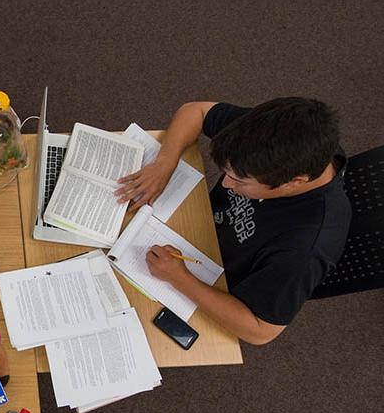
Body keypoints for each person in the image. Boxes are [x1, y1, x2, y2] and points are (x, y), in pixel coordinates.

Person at [116, 98, 350, 345]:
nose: (226, 184)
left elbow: (260, 330)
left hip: (215, 279)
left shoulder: (304, 248)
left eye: (239, 181)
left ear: (295, 182)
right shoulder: (270, 136)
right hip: (198, 223)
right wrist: (164, 164)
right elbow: (196, 110)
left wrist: (180, 278)